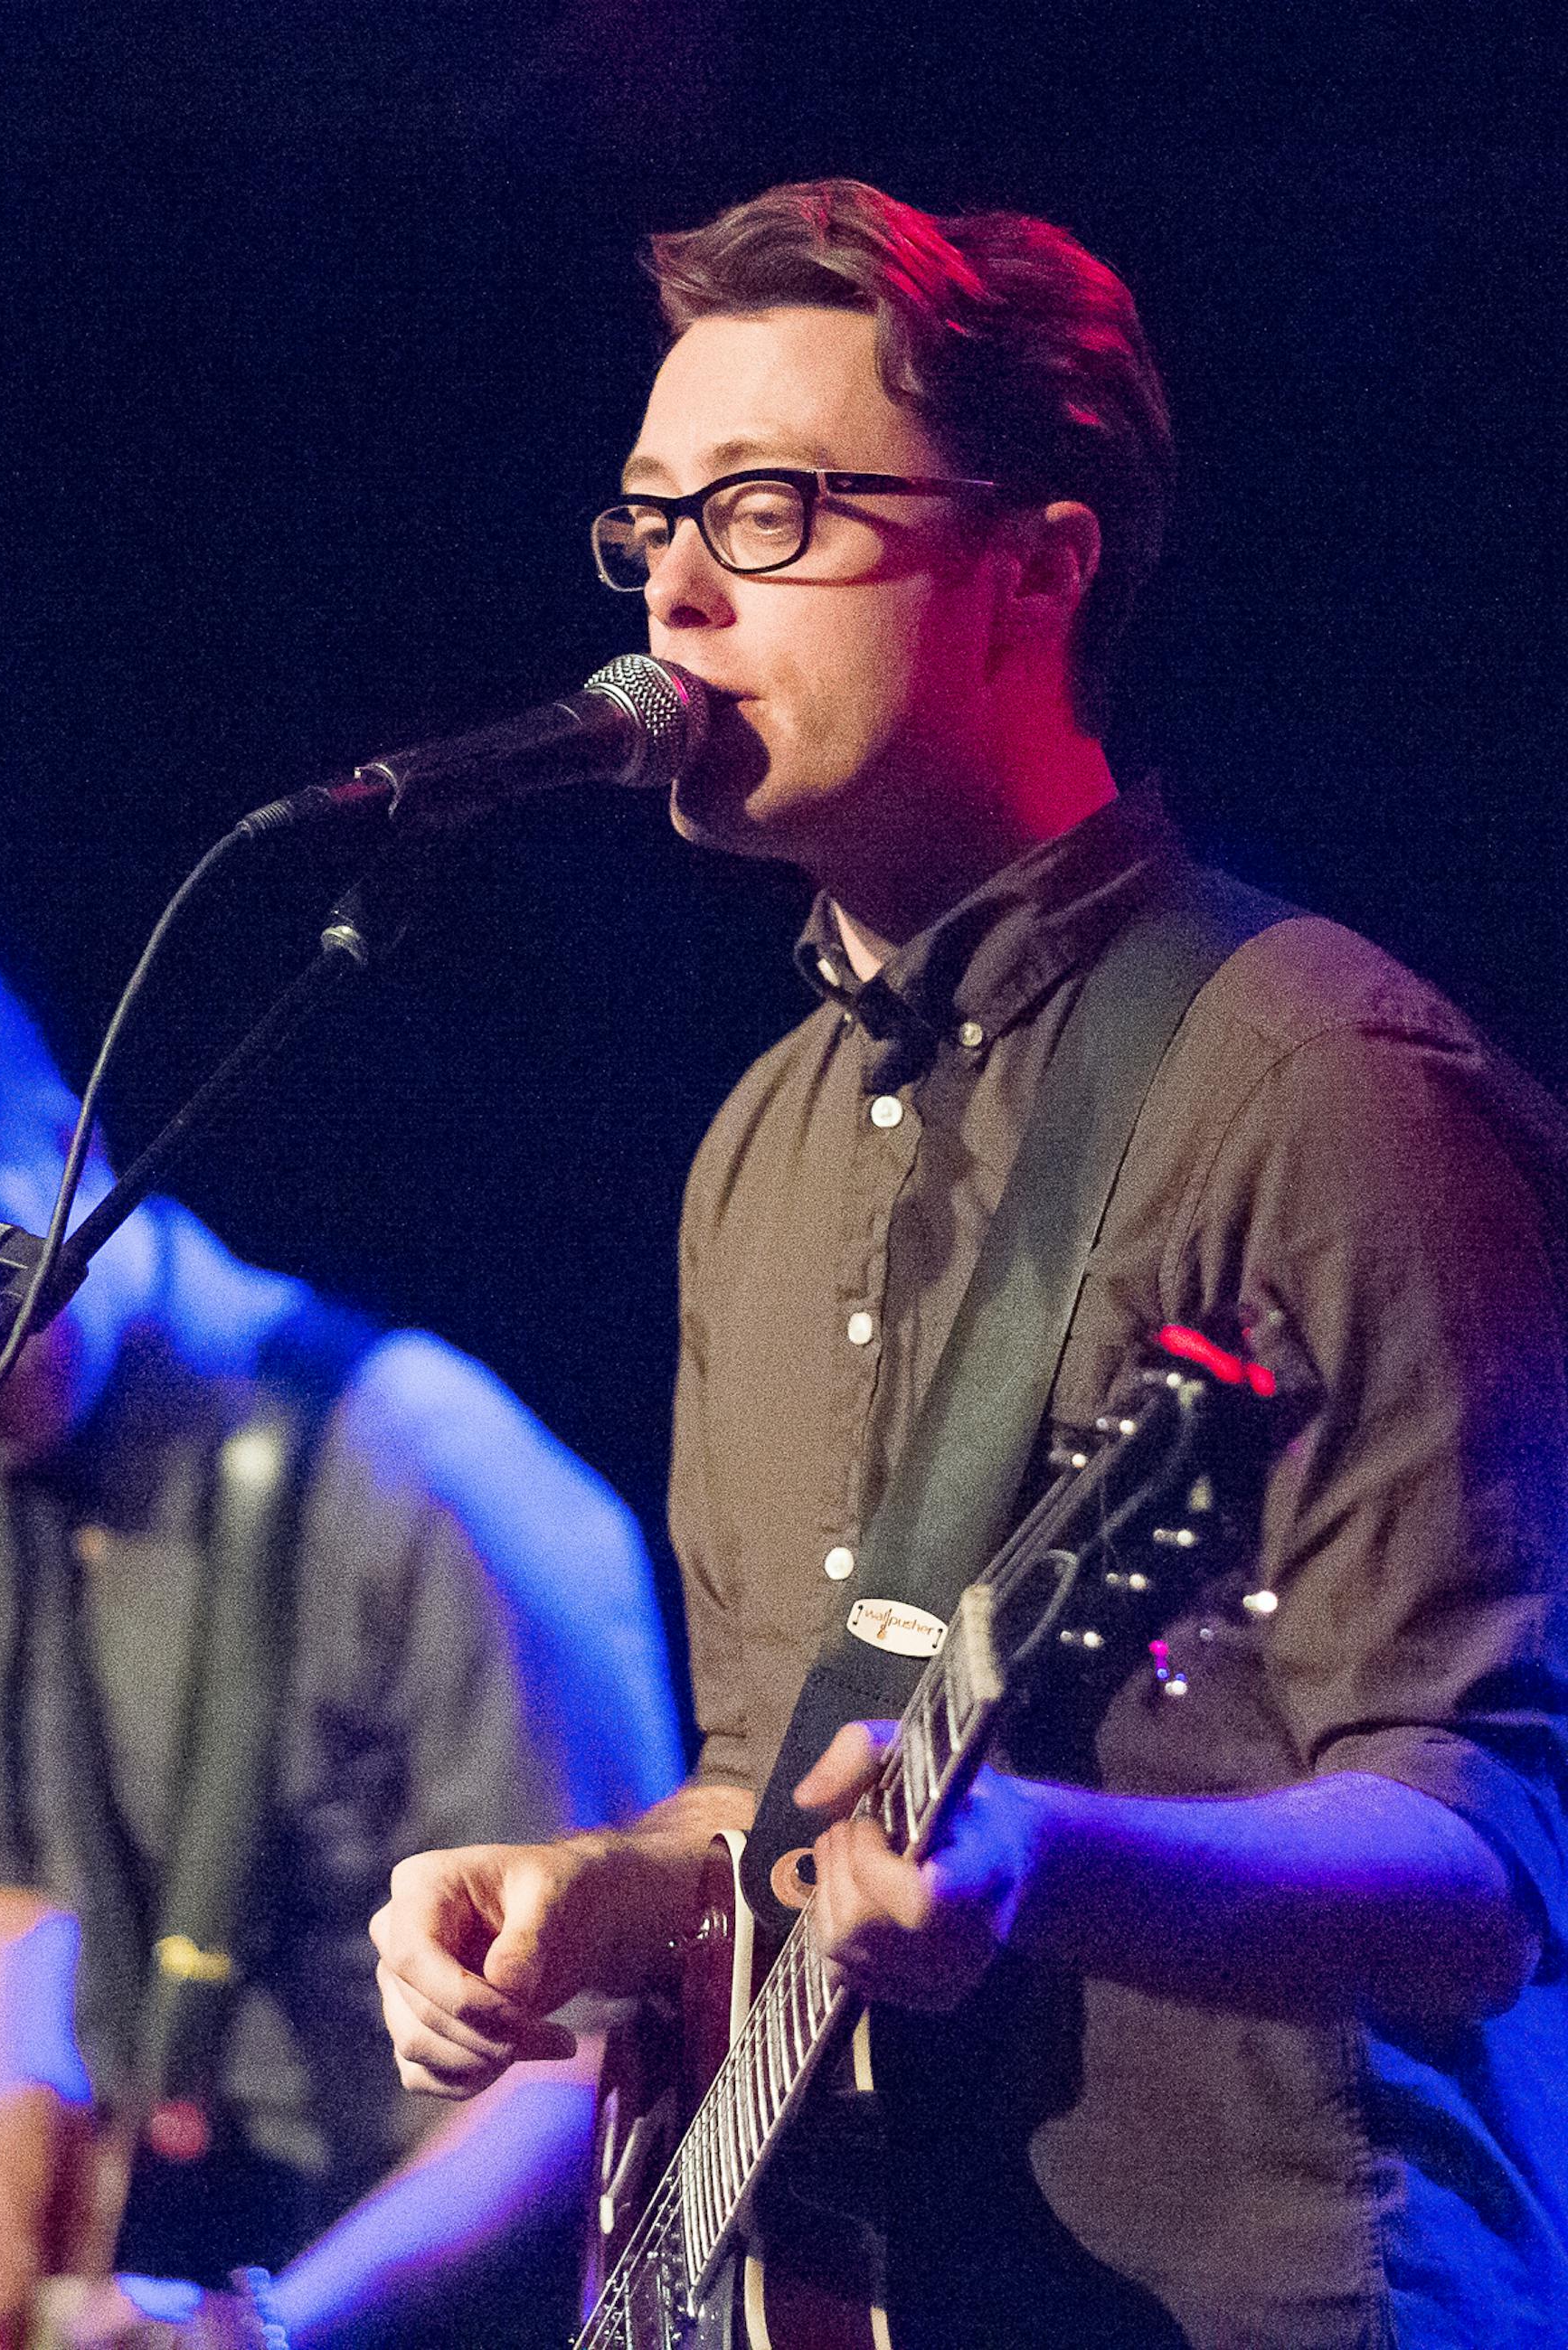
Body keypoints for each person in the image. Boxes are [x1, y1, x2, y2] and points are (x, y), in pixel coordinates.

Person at [370, 178, 1568, 2346]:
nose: (676, 598)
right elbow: (773, 1787)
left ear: (1038, 566)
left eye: (768, 512)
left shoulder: (1330, 1086)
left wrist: (1043, 1861)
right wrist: (599, 1899)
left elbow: (1493, 1858)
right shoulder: (758, 1146)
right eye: (652, 522)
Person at [0, 919, 684, 2350]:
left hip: (460, 2287)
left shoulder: (433, 1479)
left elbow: (602, 2045)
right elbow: (5, 1871)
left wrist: (274, 2324)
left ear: (65, 1146)